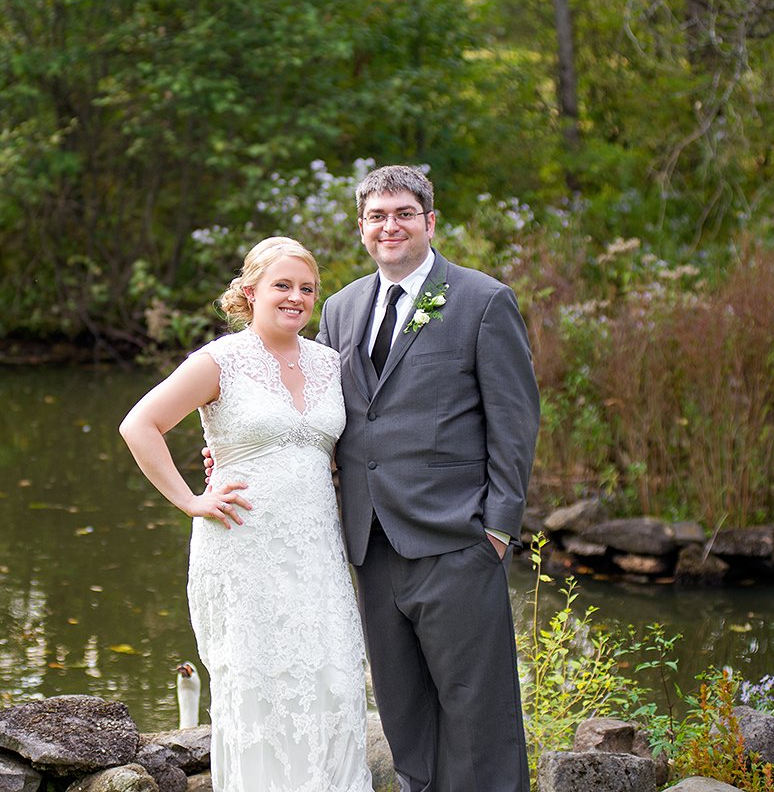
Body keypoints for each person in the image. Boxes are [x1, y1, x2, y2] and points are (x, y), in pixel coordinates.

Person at [120, 236, 374, 792]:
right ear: (249, 291)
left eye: (306, 288)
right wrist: (190, 499)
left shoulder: (331, 364)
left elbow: (340, 450)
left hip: (316, 551)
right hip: (244, 546)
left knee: (332, 682)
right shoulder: (220, 361)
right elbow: (139, 425)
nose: (295, 297)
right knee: (260, 689)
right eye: (282, 285)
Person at [317, 165, 540, 792]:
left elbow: (515, 423)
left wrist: (496, 529)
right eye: (377, 216)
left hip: (454, 539)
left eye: (403, 213)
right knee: (404, 714)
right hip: (369, 544)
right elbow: (316, 413)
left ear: (429, 222)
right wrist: (237, 456)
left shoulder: (482, 300)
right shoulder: (339, 309)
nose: (391, 226)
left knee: (478, 713)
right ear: (362, 228)